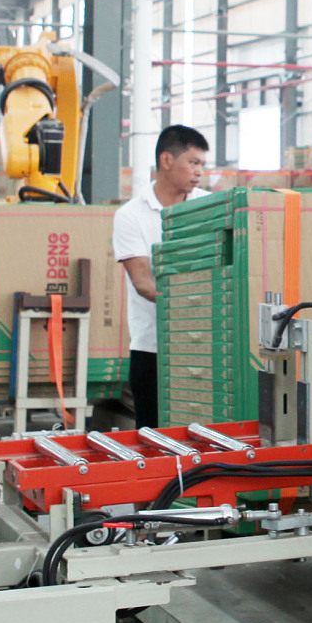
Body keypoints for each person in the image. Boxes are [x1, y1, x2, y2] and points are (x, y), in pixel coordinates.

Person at [109, 123, 208, 428]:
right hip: (153, 347)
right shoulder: (131, 215)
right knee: (154, 434)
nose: (199, 172)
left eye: (202, 165)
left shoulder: (210, 207)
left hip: (206, 344)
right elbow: (143, 283)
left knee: (206, 433)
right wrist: (194, 303)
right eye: (193, 162)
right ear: (166, 160)